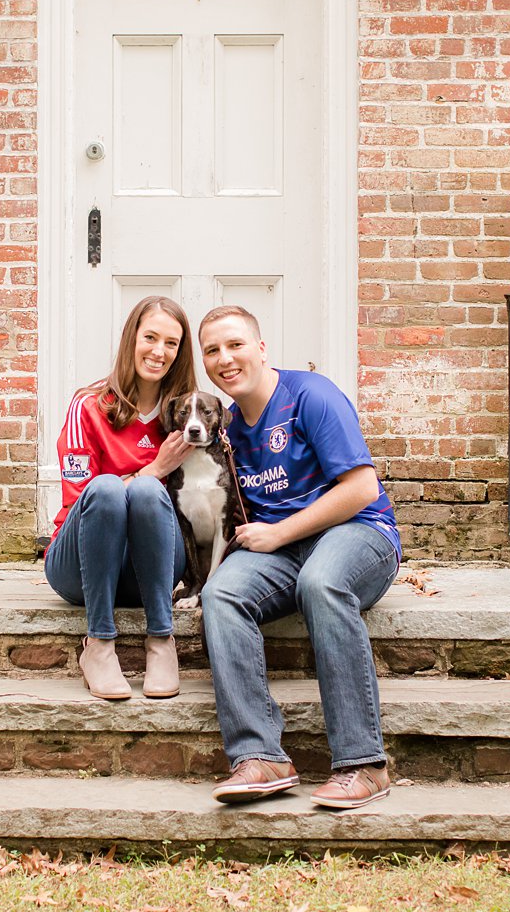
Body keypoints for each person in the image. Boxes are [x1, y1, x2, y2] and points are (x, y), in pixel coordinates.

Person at [197, 305, 402, 809]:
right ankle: (260, 756)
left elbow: (360, 488)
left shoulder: (311, 395)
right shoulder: (225, 426)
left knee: (321, 582)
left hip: (359, 533)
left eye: (235, 344)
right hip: (283, 551)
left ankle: (363, 763)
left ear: (261, 348)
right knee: (220, 594)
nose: (225, 359)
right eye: (212, 351)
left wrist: (279, 532)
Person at [45, 297, 195, 700]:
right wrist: (154, 470)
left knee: (146, 493)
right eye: (150, 337)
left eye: (171, 343)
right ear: (132, 338)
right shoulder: (88, 406)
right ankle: (98, 645)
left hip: (155, 570)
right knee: (109, 488)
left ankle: (162, 642)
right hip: (80, 568)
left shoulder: (187, 417)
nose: (159, 351)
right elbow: (83, 499)